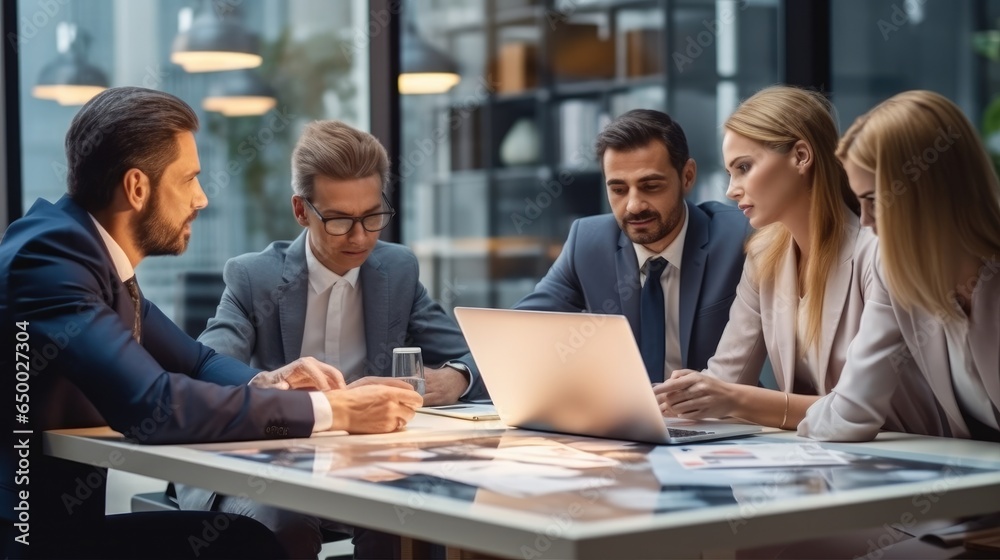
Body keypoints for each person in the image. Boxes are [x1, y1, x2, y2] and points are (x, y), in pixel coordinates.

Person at [0, 87, 422, 559]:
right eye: (189, 179)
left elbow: (197, 360)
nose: (200, 199)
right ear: (138, 188)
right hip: (26, 538)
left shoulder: (89, 258)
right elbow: (152, 404)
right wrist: (335, 412)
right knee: (248, 544)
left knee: (248, 540)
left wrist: (271, 380)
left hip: (59, 528)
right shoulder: (50, 260)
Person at [177, 119, 484, 559]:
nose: (361, 238)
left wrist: (456, 377)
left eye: (373, 216)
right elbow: (207, 371)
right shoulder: (253, 277)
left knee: (404, 516)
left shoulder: (396, 270)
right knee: (290, 520)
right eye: (340, 220)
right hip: (264, 460)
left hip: (368, 462)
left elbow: (478, 355)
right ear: (301, 211)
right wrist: (281, 389)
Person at [657, 86, 944, 436]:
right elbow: (725, 381)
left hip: (910, 451)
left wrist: (732, 398)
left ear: (801, 156)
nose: (731, 189)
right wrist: (682, 396)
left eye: (744, 167)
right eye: (731, 172)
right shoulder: (765, 258)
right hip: (823, 456)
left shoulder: (877, 254)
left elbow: (853, 412)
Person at [800, 90, 1000, 442]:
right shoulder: (897, 272)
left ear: (927, 192)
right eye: (859, 202)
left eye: (874, 200)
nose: (864, 221)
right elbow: (850, 412)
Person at [514, 109, 750, 381]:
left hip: (723, 420)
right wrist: (462, 374)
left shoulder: (740, 237)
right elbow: (522, 331)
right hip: (621, 418)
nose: (634, 206)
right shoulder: (588, 241)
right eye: (618, 189)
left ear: (687, 177)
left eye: (650, 186)